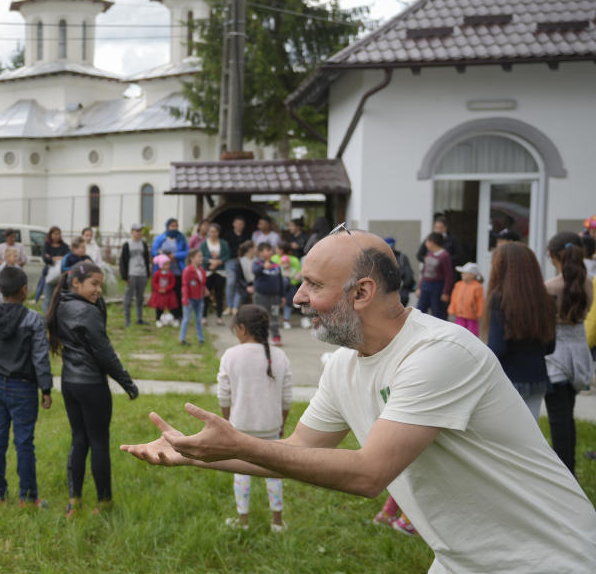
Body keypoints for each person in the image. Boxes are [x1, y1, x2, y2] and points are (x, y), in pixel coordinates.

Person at [121, 227, 596, 573]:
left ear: (363, 292)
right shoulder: (347, 363)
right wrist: (195, 455)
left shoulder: (438, 354)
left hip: (548, 558)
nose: (299, 296)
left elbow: (370, 474)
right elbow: (300, 452)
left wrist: (240, 444)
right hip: (464, 560)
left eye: (313, 284)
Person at [45, 262, 139, 517]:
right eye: (93, 284)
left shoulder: (62, 304)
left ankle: (74, 502)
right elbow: (104, 353)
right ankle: (105, 502)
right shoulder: (88, 312)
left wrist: (98, 305)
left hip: (69, 383)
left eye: (100, 285)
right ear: (76, 283)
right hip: (91, 385)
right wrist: (127, 383)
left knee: (78, 439)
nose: (99, 290)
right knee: (98, 442)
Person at [0, 266, 53, 506]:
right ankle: (28, 498)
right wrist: (46, 388)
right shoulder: (33, 320)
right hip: (24, 388)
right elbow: (40, 357)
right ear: (24, 290)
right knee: (24, 442)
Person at [217, 304, 292, 532]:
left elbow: (223, 395)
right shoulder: (279, 356)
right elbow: (287, 398)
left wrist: (229, 422)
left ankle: (243, 522)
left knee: (241, 474)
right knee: (274, 474)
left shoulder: (230, 355)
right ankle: (277, 522)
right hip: (271, 427)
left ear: (242, 328)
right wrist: (281, 425)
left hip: (240, 428)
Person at [484, 243, 555, 418]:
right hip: (538, 377)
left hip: (508, 379)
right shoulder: (546, 299)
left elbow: (497, 348)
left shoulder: (499, 300)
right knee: (531, 435)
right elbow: (550, 347)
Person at [543, 232, 593, 476]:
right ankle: (569, 469)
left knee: (557, 419)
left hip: (555, 356)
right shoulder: (588, 284)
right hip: (580, 352)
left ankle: (564, 474)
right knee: (567, 416)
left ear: (552, 256)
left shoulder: (550, 287)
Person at [151, 218, 188, 322]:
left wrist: (174, 255)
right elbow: (154, 251)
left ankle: (177, 316)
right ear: (167, 227)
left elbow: (186, 252)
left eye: (176, 226)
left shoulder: (181, 238)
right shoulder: (160, 238)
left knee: (176, 294)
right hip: (162, 273)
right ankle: (159, 316)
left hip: (177, 271)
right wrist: (163, 255)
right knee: (161, 294)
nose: (174, 228)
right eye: (172, 226)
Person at [251, 242, 286, 346]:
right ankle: (259, 338)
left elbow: (280, 281)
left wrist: (282, 295)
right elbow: (254, 271)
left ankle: (276, 337)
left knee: (274, 317)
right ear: (260, 253)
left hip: (274, 297)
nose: (270, 252)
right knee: (260, 316)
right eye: (267, 250)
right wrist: (263, 268)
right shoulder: (257, 263)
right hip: (261, 296)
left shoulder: (276, 265)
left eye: (271, 250)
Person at [415, 232, 452, 320]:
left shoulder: (444, 256)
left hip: (437, 286)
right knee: (420, 309)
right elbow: (424, 272)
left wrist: (445, 292)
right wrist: (419, 287)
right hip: (425, 285)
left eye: (427, 242)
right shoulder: (429, 254)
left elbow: (449, 276)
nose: (426, 244)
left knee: (437, 311)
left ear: (432, 242)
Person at [119, 223, 150, 327]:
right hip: (131, 274)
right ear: (132, 232)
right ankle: (128, 320)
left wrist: (147, 274)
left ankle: (139, 318)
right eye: (137, 230)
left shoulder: (144, 244)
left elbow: (146, 260)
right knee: (128, 297)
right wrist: (125, 276)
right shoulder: (127, 244)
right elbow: (123, 261)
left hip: (142, 274)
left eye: (140, 230)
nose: (139, 233)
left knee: (140, 297)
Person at [200, 223, 230, 325]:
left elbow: (227, 255)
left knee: (219, 294)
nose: (213, 234)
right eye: (211, 231)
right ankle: (204, 316)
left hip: (220, 272)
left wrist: (219, 262)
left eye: (215, 232)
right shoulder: (204, 244)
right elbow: (201, 256)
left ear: (218, 233)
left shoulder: (223, 243)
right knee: (206, 294)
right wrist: (210, 261)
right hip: (207, 272)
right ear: (208, 232)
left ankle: (219, 316)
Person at [223, 216, 252, 315]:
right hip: (230, 261)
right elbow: (225, 249)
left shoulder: (246, 235)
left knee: (239, 283)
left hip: (242, 261)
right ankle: (229, 306)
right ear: (233, 224)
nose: (239, 226)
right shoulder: (228, 234)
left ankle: (235, 307)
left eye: (241, 224)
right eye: (237, 223)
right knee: (230, 283)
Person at [447, 262, 484, 337]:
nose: (462, 274)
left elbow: (480, 302)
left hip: (472, 316)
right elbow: (454, 298)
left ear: (472, 275)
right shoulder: (458, 284)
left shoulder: (477, 287)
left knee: (472, 334)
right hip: (459, 315)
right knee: (459, 332)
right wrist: (452, 309)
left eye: (464, 273)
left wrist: (480, 313)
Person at [36, 226, 69, 309]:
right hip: (49, 274)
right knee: (48, 298)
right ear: (50, 235)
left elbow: (67, 258)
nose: (57, 236)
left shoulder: (65, 246)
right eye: (55, 234)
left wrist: (53, 257)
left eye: (59, 234)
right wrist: (56, 258)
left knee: (60, 297)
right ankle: (47, 318)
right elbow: (45, 258)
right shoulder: (47, 245)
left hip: (62, 274)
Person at [179, 249, 207, 346]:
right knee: (186, 319)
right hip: (190, 299)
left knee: (198, 319)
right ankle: (182, 339)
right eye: (199, 256)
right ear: (192, 258)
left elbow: (202, 283)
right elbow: (185, 285)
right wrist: (185, 299)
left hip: (199, 298)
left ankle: (201, 339)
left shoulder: (201, 270)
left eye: (201, 256)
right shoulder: (187, 271)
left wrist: (205, 290)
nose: (201, 258)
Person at [275, 244, 304, 328]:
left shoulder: (293, 269)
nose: (285, 264)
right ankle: (275, 321)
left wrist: (297, 275)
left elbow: (297, 277)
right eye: (283, 263)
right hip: (278, 291)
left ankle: (286, 320)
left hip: (288, 292)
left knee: (288, 303)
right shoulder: (278, 269)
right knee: (276, 306)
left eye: (287, 262)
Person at [384, 237, 416, 307]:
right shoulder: (381, 258)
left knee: (402, 299)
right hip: (385, 288)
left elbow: (409, 274)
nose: (390, 249)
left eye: (391, 246)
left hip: (401, 287)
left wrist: (403, 284)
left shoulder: (402, 258)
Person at [148, 254, 178, 327]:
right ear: (161, 265)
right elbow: (154, 282)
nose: (167, 266)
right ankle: (158, 320)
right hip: (159, 294)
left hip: (169, 294)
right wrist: (159, 289)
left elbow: (172, 283)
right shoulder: (157, 274)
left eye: (168, 264)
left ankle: (174, 319)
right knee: (159, 307)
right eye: (165, 264)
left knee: (172, 307)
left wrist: (166, 289)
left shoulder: (170, 274)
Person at [233, 241, 256, 308]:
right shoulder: (239, 261)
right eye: (255, 247)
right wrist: (247, 287)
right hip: (244, 285)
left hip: (255, 284)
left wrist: (255, 286)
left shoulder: (257, 260)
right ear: (250, 249)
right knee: (245, 296)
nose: (256, 249)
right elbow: (238, 279)